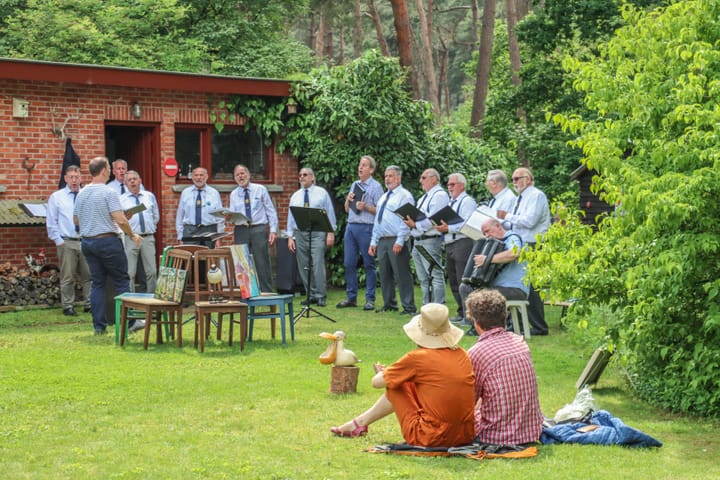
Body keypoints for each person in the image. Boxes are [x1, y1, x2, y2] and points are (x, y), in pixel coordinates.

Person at [330, 303, 476, 447]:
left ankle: (358, 424)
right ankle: (358, 423)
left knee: (396, 384)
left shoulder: (417, 358)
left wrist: (386, 373)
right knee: (403, 381)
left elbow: (376, 382)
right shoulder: (461, 354)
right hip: (465, 435)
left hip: (430, 437)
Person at [465, 289, 543, 445]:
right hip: (531, 432)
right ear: (504, 315)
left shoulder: (477, 353)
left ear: (476, 322)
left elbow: (468, 403)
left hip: (496, 437)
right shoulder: (519, 342)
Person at [74, 156, 142, 335]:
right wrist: (132, 234)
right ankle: (129, 323)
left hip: (87, 242)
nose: (110, 172)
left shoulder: (82, 192)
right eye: (109, 169)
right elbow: (120, 219)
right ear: (104, 171)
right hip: (107, 241)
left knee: (98, 283)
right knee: (121, 280)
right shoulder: (108, 192)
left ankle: (99, 326)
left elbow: (75, 219)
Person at [496, 167, 550, 335]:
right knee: (520, 283)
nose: (514, 182)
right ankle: (518, 323)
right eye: (513, 179)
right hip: (522, 243)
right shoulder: (520, 198)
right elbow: (514, 222)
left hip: (533, 244)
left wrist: (507, 216)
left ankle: (539, 326)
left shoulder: (536, 195)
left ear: (528, 179)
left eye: (517, 178)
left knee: (532, 286)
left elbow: (529, 221)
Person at [459, 218, 528, 335]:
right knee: (465, 287)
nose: (487, 235)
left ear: (498, 226)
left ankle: (486, 327)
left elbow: (515, 253)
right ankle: (476, 326)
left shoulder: (513, 238)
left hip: (515, 289)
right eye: (484, 233)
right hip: (498, 288)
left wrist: (487, 259)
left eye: (488, 231)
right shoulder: (492, 244)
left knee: (483, 295)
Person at [337, 155, 383, 311]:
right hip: (351, 227)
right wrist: (348, 200)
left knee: (369, 264)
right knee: (349, 263)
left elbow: (381, 211)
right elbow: (346, 209)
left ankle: (370, 299)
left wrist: (366, 207)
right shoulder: (354, 184)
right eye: (359, 164)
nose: (360, 168)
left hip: (366, 228)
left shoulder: (376, 187)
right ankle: (351, 298)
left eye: (364, 165)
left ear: (371, 169)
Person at [369, 166, 416, 315]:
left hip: (396, 238)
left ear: (398, 178)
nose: (387, 179)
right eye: (386, 176)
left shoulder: (404, 196)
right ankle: (389, 303)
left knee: (402, 273)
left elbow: (406, 220)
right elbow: (378, 220)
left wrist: (400, 240)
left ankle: (408, 306)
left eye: (391, 176)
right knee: (385, 274)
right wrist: (373, 241)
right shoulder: (384, 197)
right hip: (382, 239)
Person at [287, 167, 336, 307]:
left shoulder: (322, 193)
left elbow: (330, 213)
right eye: (300, 175)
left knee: (317, 263)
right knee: (303, 265)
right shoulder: (295, 196)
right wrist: (290, 236)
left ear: (313, 177)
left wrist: (330, 232)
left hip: (318, 232)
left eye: (305, 175)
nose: (302, 177)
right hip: (300, 233)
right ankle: (311, 294)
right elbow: (291, 218)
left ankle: (321, 295)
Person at [46, 165, 90, 316]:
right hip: (67, 241)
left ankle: (89, 303)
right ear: (65, 179)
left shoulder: (86, 194)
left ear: (81, 178)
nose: (74, 180)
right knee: (68, 276)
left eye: (77, 177)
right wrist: (59, 240)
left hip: (86, 240)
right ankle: (68, 306)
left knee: (89, 275)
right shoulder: (57, 197)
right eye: (71, 177)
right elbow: (52, 222)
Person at [229, 164, 279, 293]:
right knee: (242, 263)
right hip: (241, 229)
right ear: (235, 178)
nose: (241, 176)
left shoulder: (260, 189)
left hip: (258, 228)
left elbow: (270, 210)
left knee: (261, 261)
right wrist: (228, 217)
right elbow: (233, 214)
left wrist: (273, 230)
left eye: (242, 173)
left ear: (248, 175)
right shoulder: (233, 194)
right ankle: (247, 293)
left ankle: (266, 291)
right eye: (237, 174)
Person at [435, 173, 477, 323]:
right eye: (448, 185)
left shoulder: (467, 202)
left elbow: (466, 224)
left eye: (453, 185)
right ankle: (461, 311)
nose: (450, 187)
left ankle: (469, 315)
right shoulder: (451, 203)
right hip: (449, 243)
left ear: (462, 185)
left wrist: (448, 228)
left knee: (462, 279)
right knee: (453, 279)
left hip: (462, 242)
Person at [404, 168, 450, 305]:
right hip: (418, 239)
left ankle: (438, 307)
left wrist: (415, 224)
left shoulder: (440, 195)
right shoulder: (424, 197)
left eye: (423, 178)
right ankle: (426, 306)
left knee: (435, 274)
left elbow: (434, 219)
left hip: (430, 239)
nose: (420, 181)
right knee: (423, 277)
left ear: (434, 179)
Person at [121, 170, 159, 293]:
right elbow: (119, 220)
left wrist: (150, 228)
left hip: (147, 237)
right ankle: (130, 302)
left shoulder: (149, 196)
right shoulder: (121, 199)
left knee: (151, 271)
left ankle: (151, 300)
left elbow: (155, 216)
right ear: (125, 183)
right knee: (130, 272)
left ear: (140, 181)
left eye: (135, 179)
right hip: (131, 238)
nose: (132, 181)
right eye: (129, 180)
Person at [176, 167, 225, 249]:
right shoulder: (185, 193)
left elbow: (219, 217)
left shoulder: (214, 193)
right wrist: (180, 236)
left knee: (208, 259)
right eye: (196, 175)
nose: (198, 178)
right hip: (190, 230)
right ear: (192, 177)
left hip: (209, 230)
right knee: (191, 258)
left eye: (201, 175)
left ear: (206, 177)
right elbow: (180, 216)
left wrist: (218, 237)